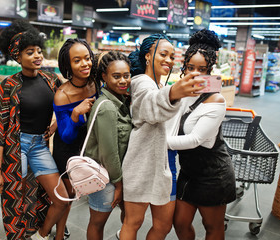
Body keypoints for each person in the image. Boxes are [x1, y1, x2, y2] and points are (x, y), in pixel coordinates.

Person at [120, 33, 206, 240]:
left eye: (172, 56)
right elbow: (151, 105)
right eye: (163, 54)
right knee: (133, 222)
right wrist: (172, 93)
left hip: (162, 164)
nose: (168, 60)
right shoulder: (142, 82)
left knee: (163, 224)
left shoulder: (157, 84)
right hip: (140, 165)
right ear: (148, 56)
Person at [0, 19, 69, 240]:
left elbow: (69, 102)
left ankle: (41, 233)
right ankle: (19, 235)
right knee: (17, 197)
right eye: (30, 52)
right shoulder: (9, 85)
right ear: (18, 57)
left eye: (38, 51)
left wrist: (53, 127)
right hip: (16, 147)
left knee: (60, 197)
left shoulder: (51, 79)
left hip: (40, 146)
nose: (37, 56)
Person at [167, 29, 236, 240]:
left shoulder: (215, 101)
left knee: (212, 227)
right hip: (189, 172)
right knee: (179, 223)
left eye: (202, 69)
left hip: (213, 175)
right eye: (190, 68)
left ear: (210, 70)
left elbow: (194, 139)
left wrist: (156, 142)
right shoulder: (183, 92)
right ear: (184, 66)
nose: (195, 74)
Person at [53, 38, 99, 240]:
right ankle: (59, 234)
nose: (85, 64)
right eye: (77, 60)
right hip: (67, 146)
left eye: (87, 58)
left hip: (88, 142)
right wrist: (75, 115)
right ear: (68, 65)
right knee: (69, 194)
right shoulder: (62, 95)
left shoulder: (96, 82)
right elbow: (66, 136)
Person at [84, 51, 132, 240]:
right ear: (104, 77)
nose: (123, 81)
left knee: (129, 217)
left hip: (116, 176)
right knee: (97, 223)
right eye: (117, 76)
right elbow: (108, 154)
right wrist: (119, 185)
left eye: (126, 76)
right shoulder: (107, 107)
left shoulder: (120, 101)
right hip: (106, 179)